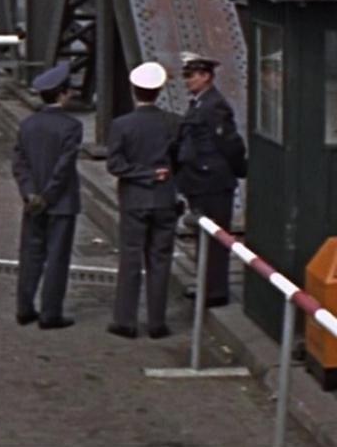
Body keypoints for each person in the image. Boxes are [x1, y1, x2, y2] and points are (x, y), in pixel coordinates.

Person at [105, 61, 181, 339]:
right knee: (160, 260)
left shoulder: (121, 125)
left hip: (134, 199)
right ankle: (157, 322)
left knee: (131, 258)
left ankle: (125, 320)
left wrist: (143, 174)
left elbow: (114, 164)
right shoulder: (173, 122)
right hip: (164, 199)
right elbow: (180, 159)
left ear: (134, 90)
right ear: (159, 90)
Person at [12, 62, 83, 330]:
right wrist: (49, 195)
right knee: (57, 258)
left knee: (31, 255)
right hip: (61, 203)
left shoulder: (28, 125)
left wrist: (30, 193)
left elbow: (19, 162)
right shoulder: (72, 126)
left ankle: (24, 307)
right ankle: (50, 313)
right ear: (62, 93)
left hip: (32, 203)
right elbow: (63, 167)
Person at [174, 51, 245, 308]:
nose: (187, 81)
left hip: (212, 181)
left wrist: (238, 169)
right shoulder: (201, 103)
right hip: (199, 180)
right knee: (205, 236)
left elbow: (229, 143)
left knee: (216, 239)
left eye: (191, 75)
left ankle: (215, 290)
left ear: (206, 76)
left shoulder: (214, 105)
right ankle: (207, 285)